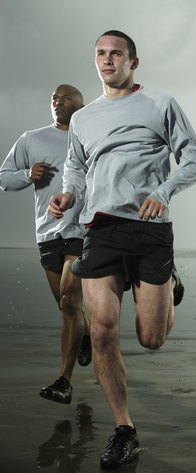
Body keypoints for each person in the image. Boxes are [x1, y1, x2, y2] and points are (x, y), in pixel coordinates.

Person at [48, 30, 196, 469]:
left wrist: (166, 189)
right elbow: (77, 167)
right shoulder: (84, 119)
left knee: (151, 339)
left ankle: (169, 278)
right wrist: (68, 196)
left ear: (133, 62)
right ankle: (124, 429)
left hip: (150, 227)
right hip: (99, 228)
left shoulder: (160, 105)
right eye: (100, 53)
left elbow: (194, 158)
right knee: (100, 330)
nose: (107, 59)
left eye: (116, 53)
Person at [0, 84, 91, 405]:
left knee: (69, 301)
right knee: (67, 307)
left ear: (81, 105)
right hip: (47, 233)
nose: (58, 102)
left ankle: (63, 381)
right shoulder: (31, 139)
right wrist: (27, 172)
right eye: (54, 97)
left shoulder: (90, 136)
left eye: (66, 98)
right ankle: (87, 334)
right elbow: (4, 178)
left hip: (83, 230)